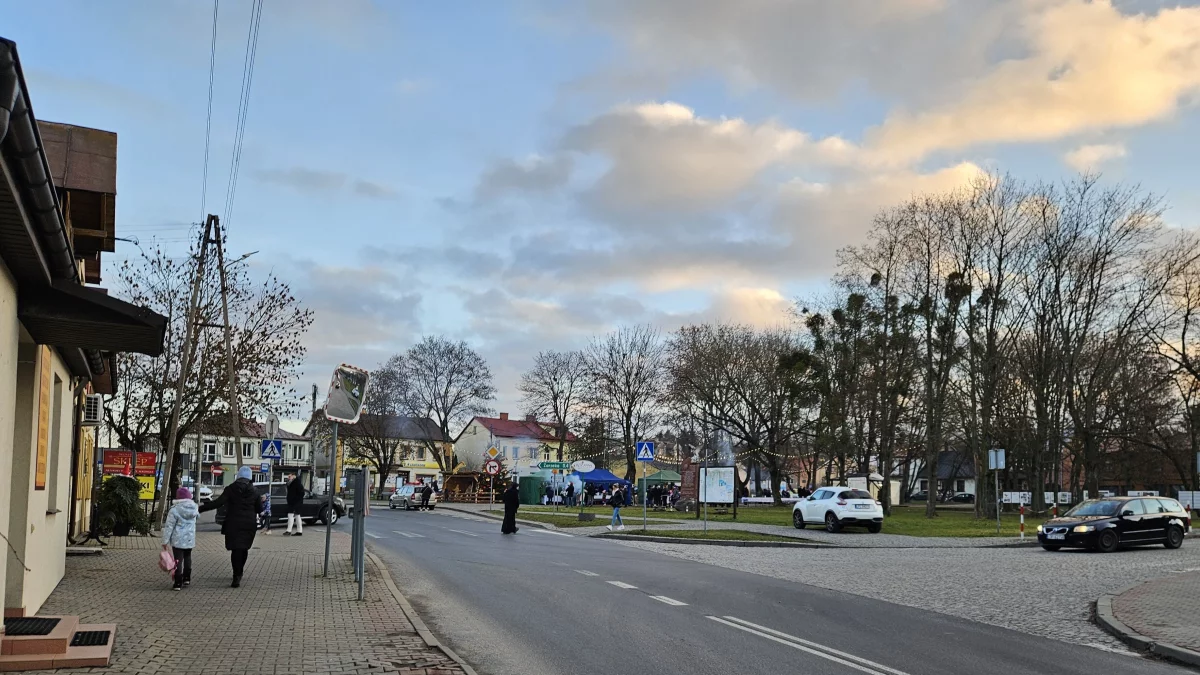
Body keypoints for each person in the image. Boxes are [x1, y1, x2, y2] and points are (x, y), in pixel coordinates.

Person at [199, 465, 263, 588]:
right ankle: (240, 572)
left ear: (238, 476)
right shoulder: (255, 491)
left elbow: (218, 503)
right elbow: (259, 509)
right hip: (249, 524)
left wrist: (201, 508)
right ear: (250, 477)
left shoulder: (231, 489)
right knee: (243, 549)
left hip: (233, 523)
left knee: (235, 549)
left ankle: (236, 575)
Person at [161, 487, 199, 591]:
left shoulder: (174, 510)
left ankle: (178, 582)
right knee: (188, 557)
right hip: (190, 539)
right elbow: (197, 517)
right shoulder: (194, 508)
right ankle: (187, 578)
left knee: (178, 560)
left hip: (178, 539)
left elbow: (169, 526)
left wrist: (165, 541)